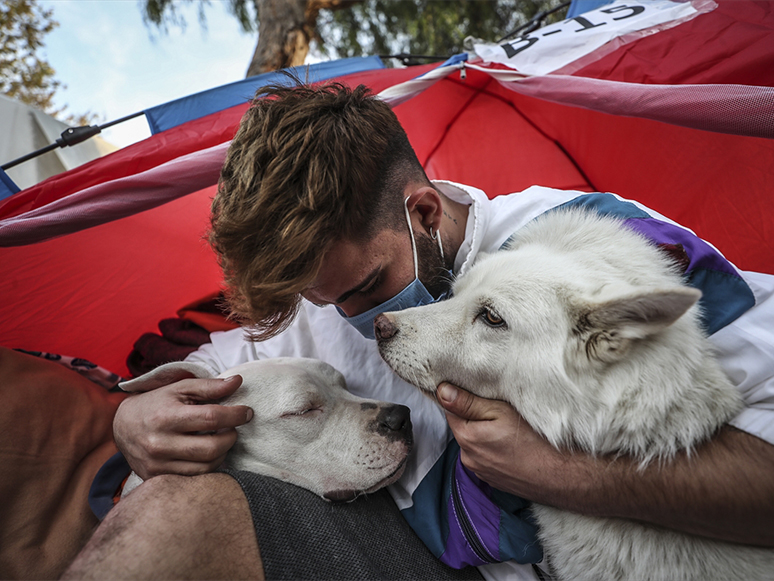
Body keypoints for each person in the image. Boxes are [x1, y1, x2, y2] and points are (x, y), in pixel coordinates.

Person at [63, 81, 774, 580]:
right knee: (168, 518)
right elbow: (200, 376)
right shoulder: (326, 300)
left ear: (426, 212)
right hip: (416, 561)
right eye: (323, 299)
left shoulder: (607, 251)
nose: (352, 317)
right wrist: (136, 417)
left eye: (368, 287)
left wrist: (561, 474)